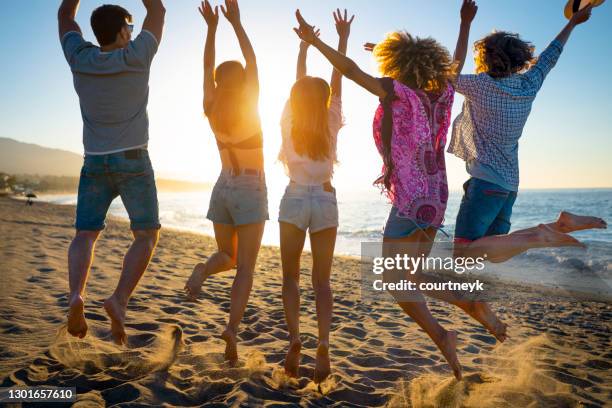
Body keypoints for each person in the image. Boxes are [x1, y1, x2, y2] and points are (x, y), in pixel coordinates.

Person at [293, 1, 509, 380]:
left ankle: (449, 329)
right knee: (410, 274)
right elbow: (456, 61)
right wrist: (463, 23)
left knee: (394, 277)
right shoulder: (443, 90)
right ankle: (458, 321)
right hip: (437, 196)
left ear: (399, 65)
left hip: (410, 198)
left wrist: (315, 42)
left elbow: (349, 70)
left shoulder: (395, 91)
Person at [449, 5, 607, 263]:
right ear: (520, 59)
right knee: (496, 252)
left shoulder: (480, 86)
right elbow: (550, 56)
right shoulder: (529, 84)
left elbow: (449, 73)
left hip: (486, 183)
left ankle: (542, 235)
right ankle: (560, 225)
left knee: (463, 255)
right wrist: (573, 23)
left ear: (486, 58)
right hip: (509, 185)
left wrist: (464, 23)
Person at [59, 0, 165, 345]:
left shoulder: (80, 58)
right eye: (130, 28)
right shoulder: (137, 57)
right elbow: (158, 10)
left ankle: (77, 295)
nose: (133, 33)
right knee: (146, 235)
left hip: (94, 162)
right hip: (133, 161)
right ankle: (119, 300)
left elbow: (65, 16)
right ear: (122, 31)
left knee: (85, 234)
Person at [184, 0, 267, 364]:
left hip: (223, 185)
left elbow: (206, 67)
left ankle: (202, 269)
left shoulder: (211, 104)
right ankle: (232, 328)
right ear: (244, 82)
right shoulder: (251, 102)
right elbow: (253, 62)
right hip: (250, 187)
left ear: (218, 82)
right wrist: (236, 23)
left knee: (226, 257)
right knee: (245, 267)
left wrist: (212, 28)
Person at [278, 9, 352, 384]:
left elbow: (299, 82)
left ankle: (295, 338)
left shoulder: (290, 117)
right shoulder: (331, 117)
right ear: (325, 98)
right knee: (322, 281)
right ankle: (323, 343)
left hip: (293, 198)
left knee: (290, 277)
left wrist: (304, 46)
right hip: (325, 200)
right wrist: (340, 40)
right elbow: (337, 79)